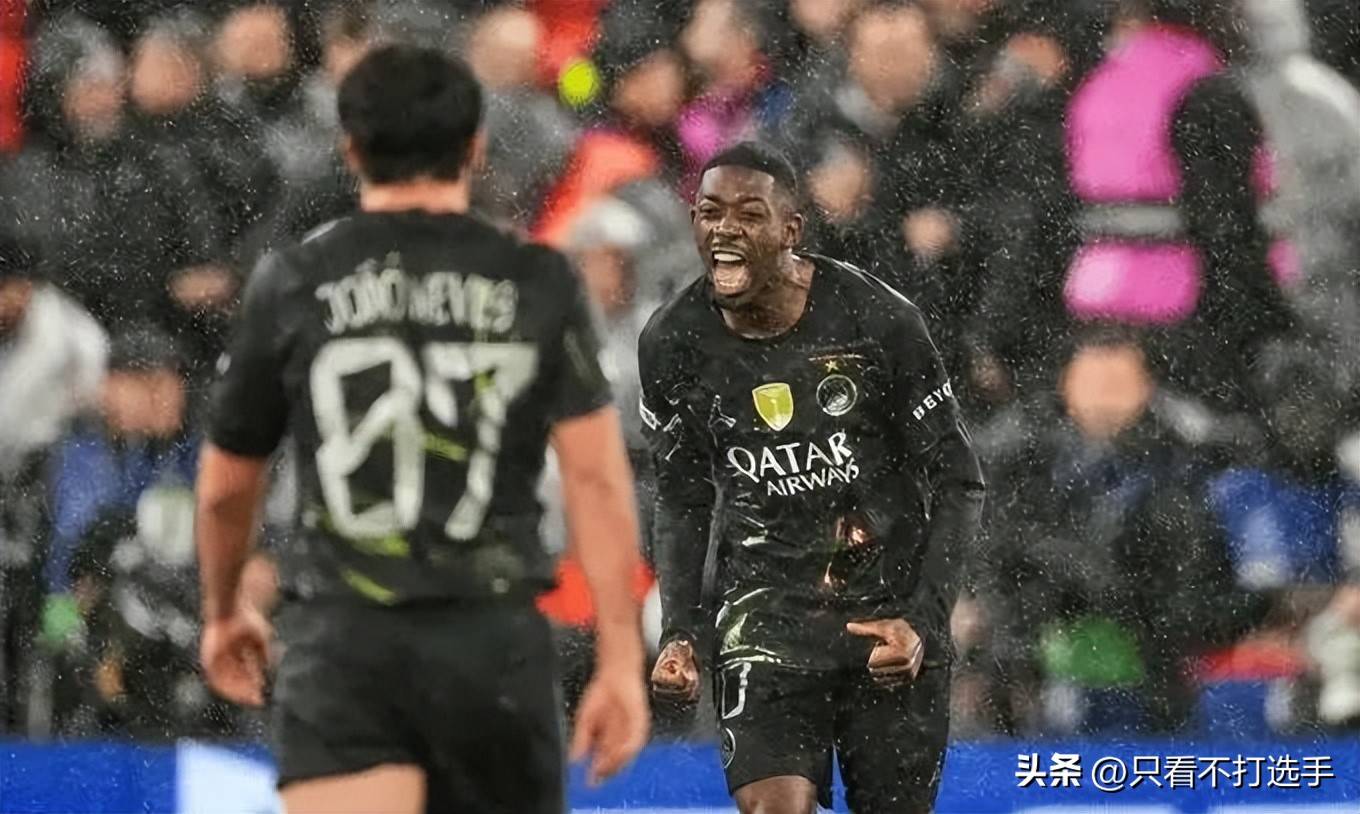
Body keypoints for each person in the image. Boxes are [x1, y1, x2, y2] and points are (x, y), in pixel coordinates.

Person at [195, 44, 649, 814]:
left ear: (351, 149)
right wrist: (619, 657)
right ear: (475, 147)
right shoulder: (538, 280)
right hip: (492, 648)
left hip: (345, 646)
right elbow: (597, 479)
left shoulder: (295, 281)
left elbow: (225, 487)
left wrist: (223, 609)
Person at [641, 141, 986, 814]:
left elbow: (958, 481)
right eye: (710, 213)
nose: (725, 230)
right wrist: (679, 631)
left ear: (790, 230)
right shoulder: (673, 341)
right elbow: (681, 497)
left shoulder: (877, 320)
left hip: (886, 619)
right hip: (764, 622)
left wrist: (923, 621)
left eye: (749, 214)